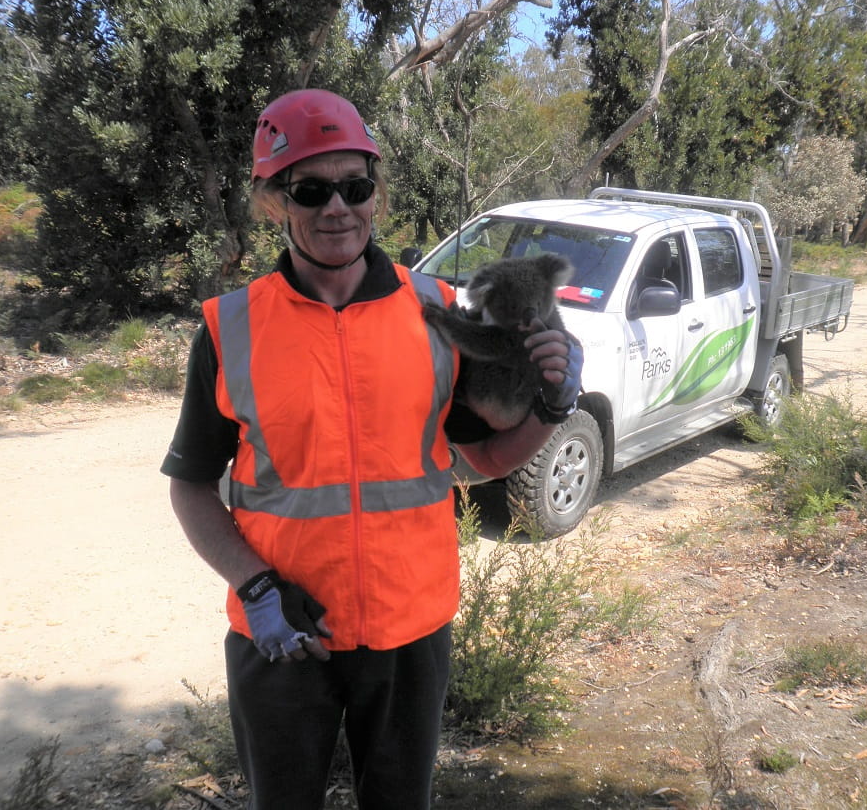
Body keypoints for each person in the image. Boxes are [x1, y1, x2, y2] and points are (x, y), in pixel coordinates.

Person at [160, 88, 582, 810]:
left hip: (409, 634)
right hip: (284, 637)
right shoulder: (231, 327)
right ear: (274, 201)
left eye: (355, 187)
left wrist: (550, 407)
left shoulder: (439, 313)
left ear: (377, 194)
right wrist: (256, 588)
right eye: (311, 190)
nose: (336, 208)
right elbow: (191, 484)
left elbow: (480, 459)